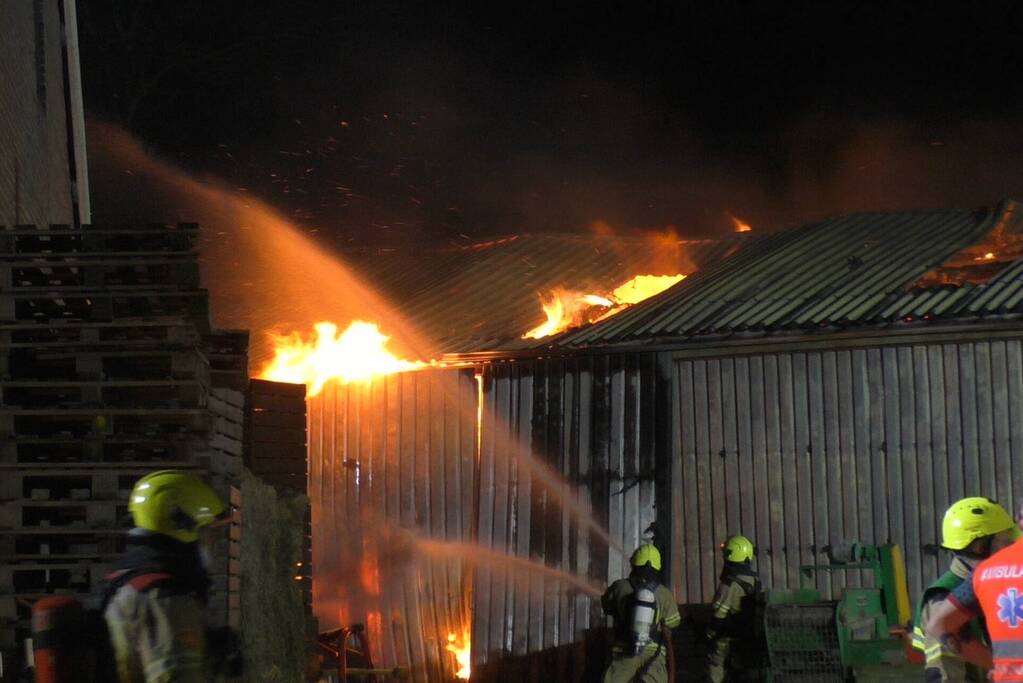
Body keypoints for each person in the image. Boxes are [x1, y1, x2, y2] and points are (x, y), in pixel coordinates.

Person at [102, 470, 235, 682]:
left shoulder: (128, 582)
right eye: (209, 533)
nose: (213, 544)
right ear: (182, 528)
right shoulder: (164, 599)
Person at [913, 497, 1020, 682]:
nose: (1013, 545)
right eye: (1006, 539)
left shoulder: (994, 580)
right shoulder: (941, 598)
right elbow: (945, 672)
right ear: (979, 547)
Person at [601, 544, 682, 683]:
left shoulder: (619, 586)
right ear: (658, 567)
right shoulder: (665, 594)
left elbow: (607, 606)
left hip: (623, 652)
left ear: (634, 563)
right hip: (654, 656)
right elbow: (673, 622)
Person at [706, 534, 763, 683]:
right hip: (748, 636)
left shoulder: (729, 585)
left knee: (715, 664)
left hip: (727, 638)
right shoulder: (755, 580)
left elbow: (719, 616)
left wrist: (709, 635)